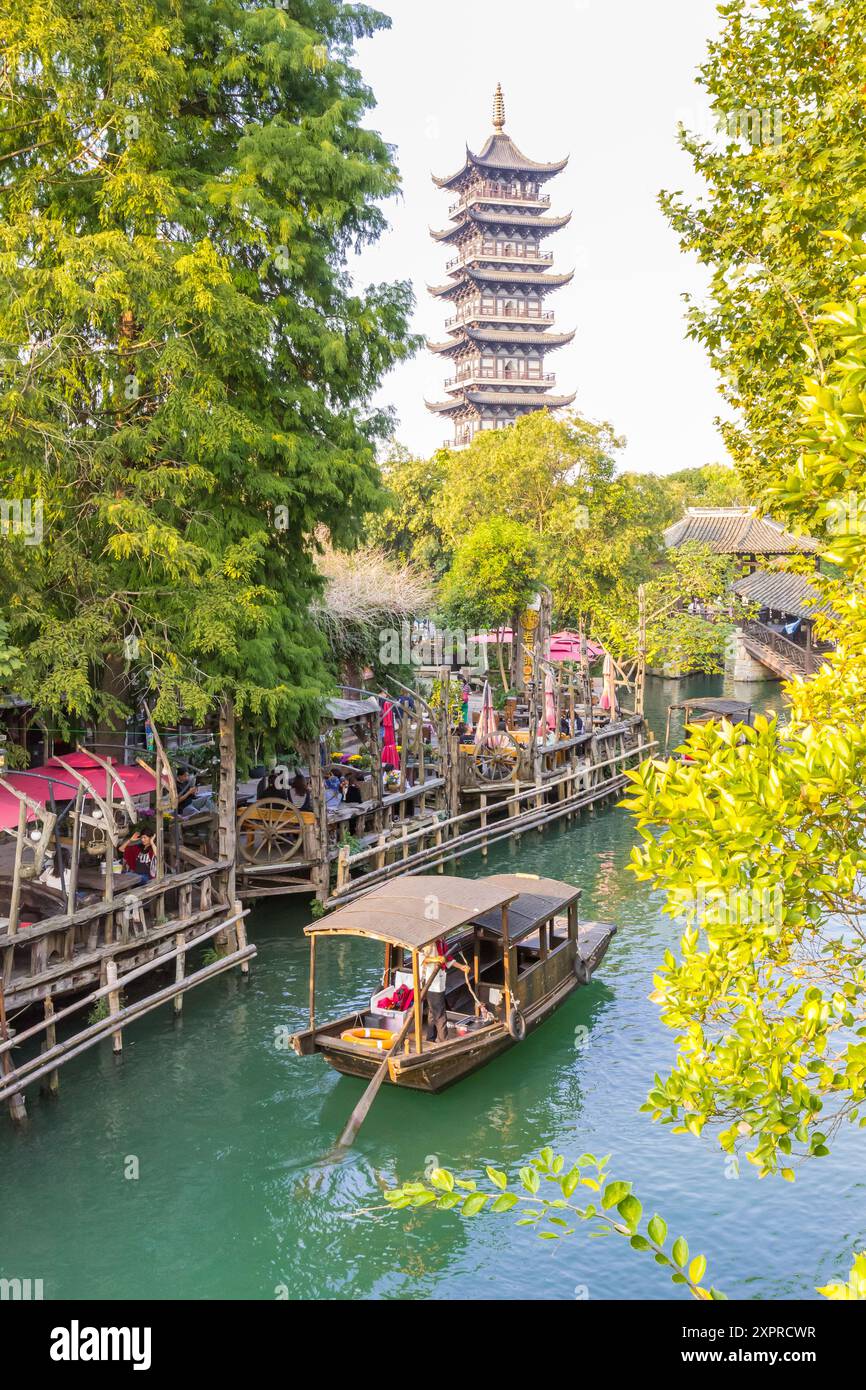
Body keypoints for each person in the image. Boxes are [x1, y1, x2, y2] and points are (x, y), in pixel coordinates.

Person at [420, 937, 470, 1043]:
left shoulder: (441, 942)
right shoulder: (429, 943)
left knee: (433, 1012)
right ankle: (444, 1041)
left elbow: (448, 959)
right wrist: (436, 959)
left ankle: (430, 1038)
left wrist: (461, 967)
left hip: (440, 980)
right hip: (432, 982)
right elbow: (423, 959)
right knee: (439, 1013)